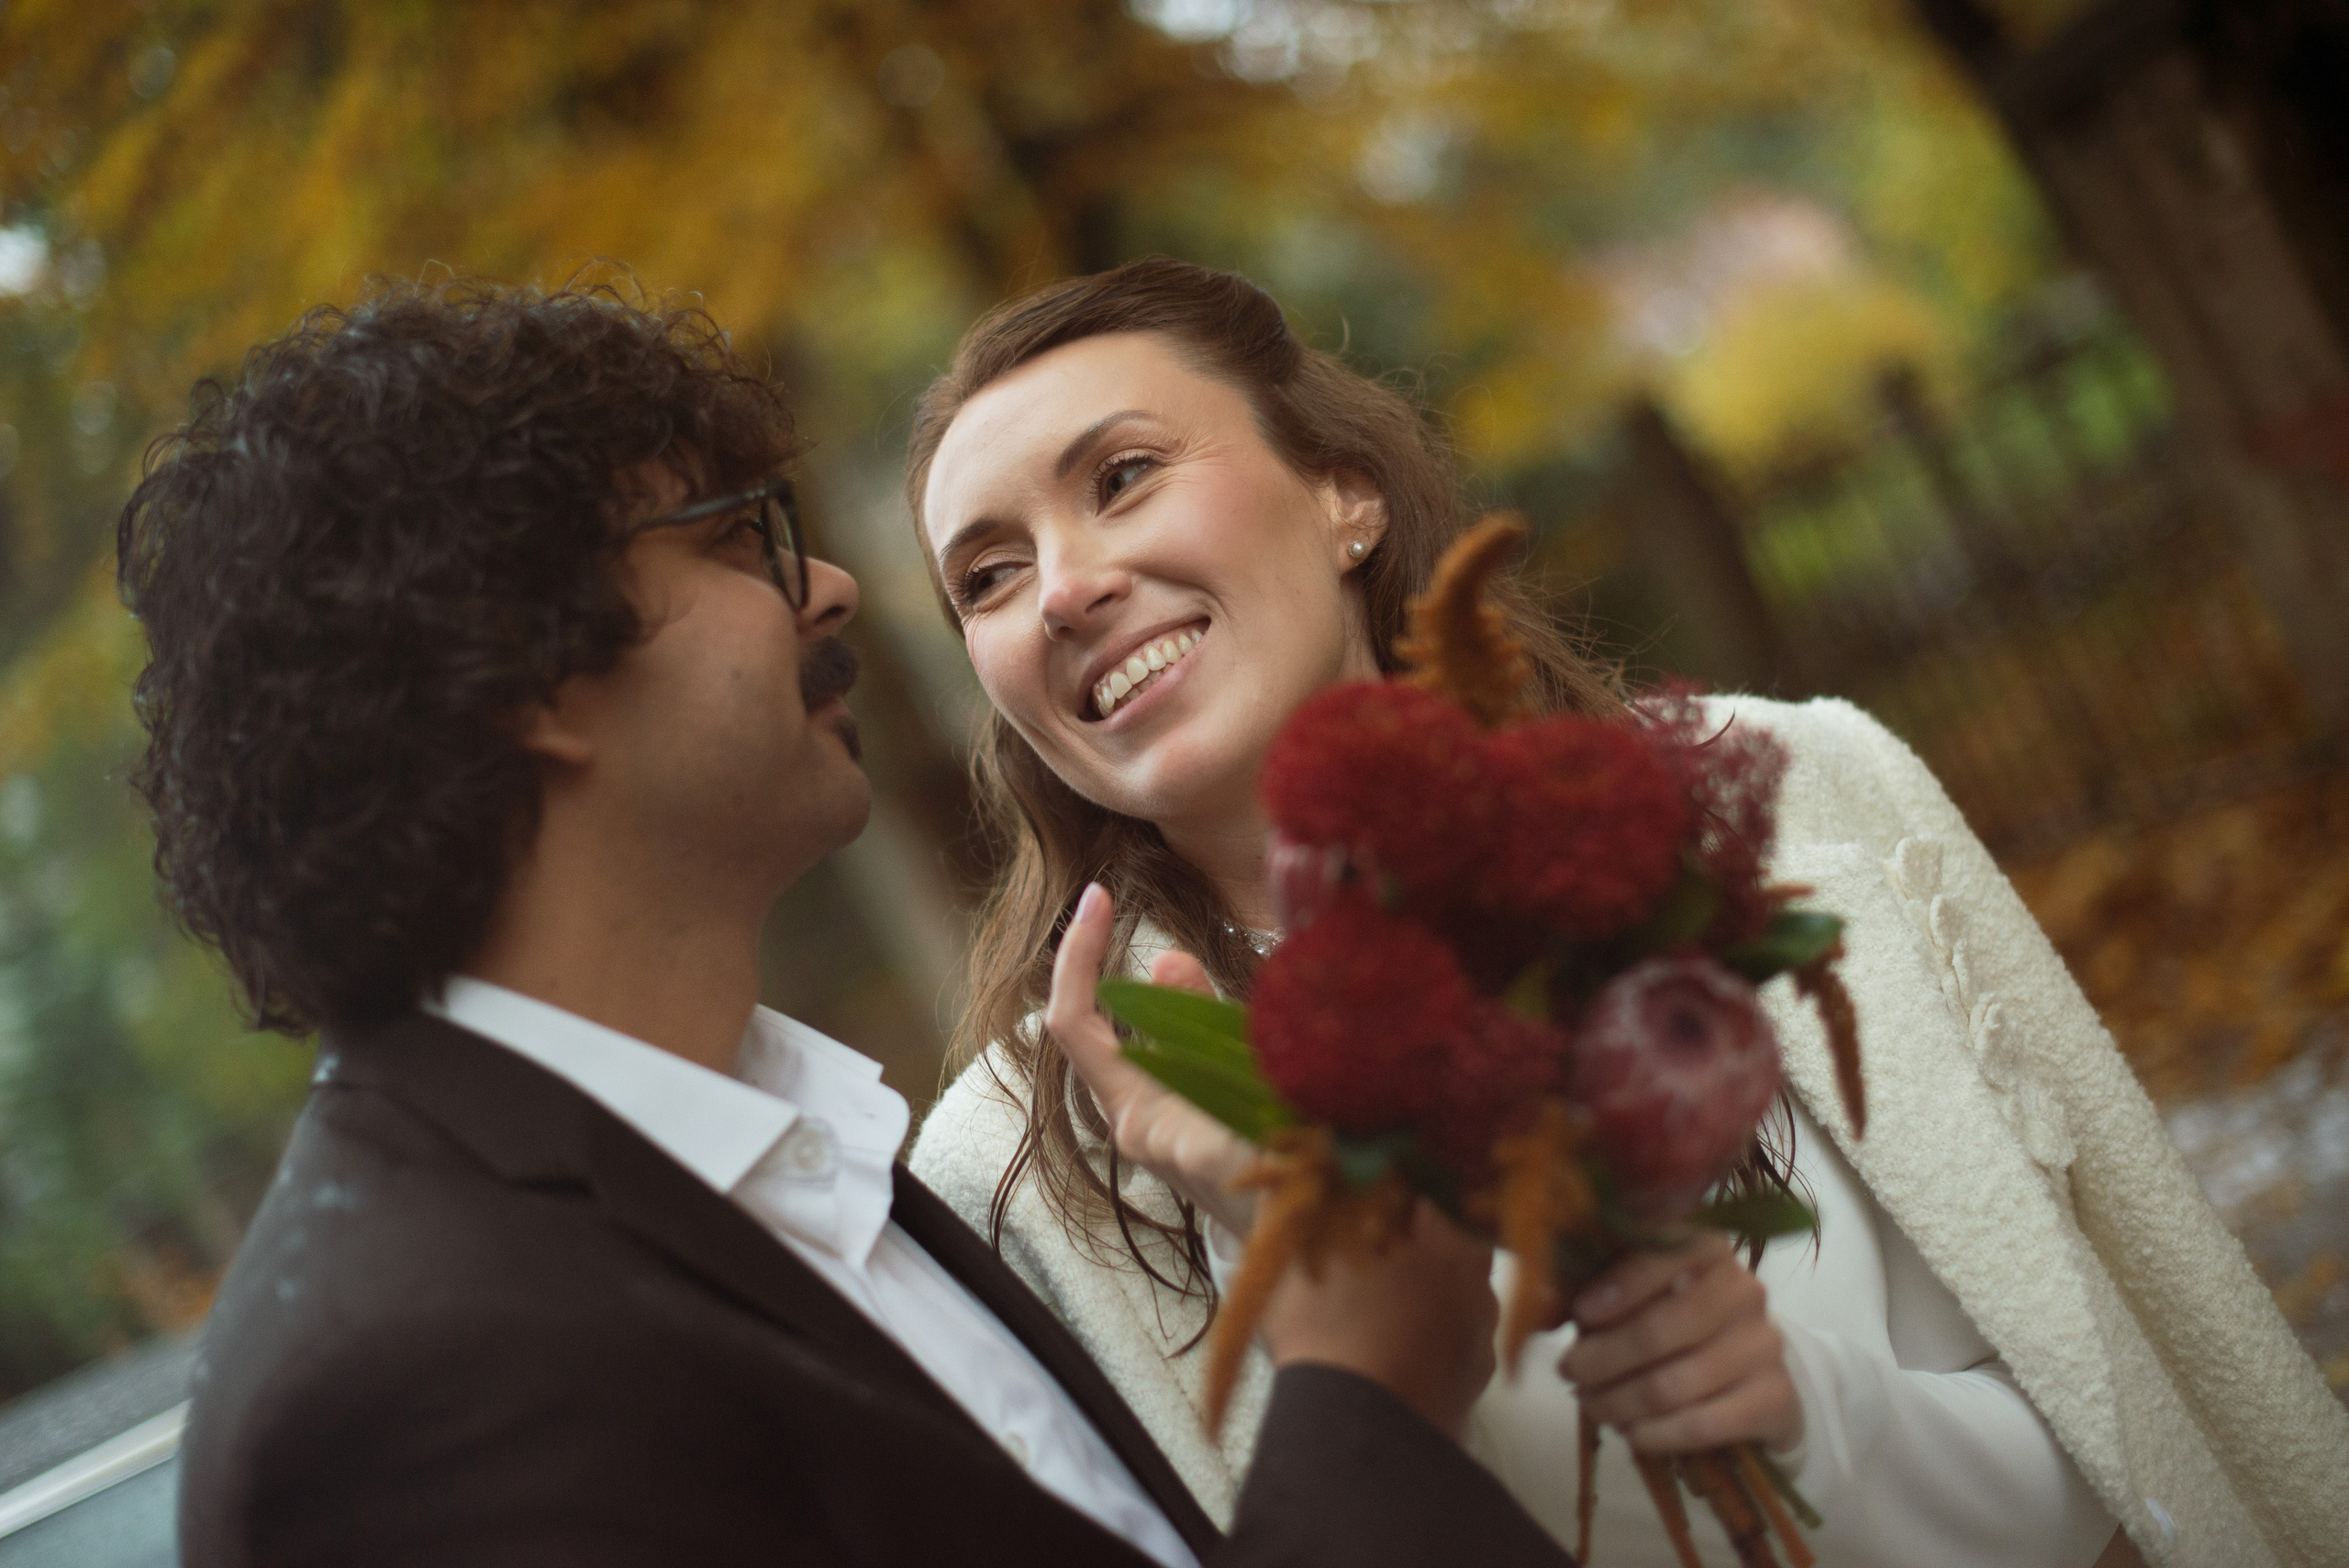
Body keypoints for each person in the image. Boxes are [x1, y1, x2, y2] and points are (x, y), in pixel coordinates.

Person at [902, 258, 2349, 1568]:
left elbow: (2125, 1423)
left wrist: (1801, 1415)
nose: (1066, 590)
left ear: (1345, 494)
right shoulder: (1021, 1167)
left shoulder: (1794, 804)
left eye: (1125, 475)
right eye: (989, 575)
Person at [123, 276, 1580, 1568]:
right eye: (738, 541)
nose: (825, 588)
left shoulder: (800, 1173)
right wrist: (1364, 1383)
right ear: (526, 674)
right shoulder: (405, 1399)